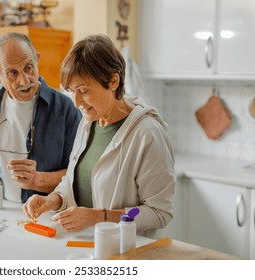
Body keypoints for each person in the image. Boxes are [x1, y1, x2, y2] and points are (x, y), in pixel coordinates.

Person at [23, 34, 175, 238]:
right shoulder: (88, 122)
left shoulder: (147, 134)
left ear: (113, 81)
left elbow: (158, 213)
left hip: (125, 253)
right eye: (71, 91)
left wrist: (99, 217)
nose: (76, 102)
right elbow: (74, 182)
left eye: (83, 91)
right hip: (84, 245)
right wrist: (54, 199)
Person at [0, 32, 82, 203]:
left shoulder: (65, 109)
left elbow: (78, 175)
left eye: (28, 67)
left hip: (46, 215)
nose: (25, 81)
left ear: (37, 59)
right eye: (12, 73)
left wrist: (37, 181)